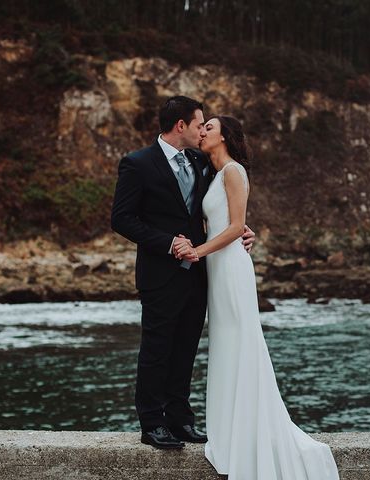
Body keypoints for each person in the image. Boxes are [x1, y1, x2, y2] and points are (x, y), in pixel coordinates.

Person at [175, 116, 340, 479]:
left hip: (230, 269)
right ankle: (231, 429)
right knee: (226, 344)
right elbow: (229, 223)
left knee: (242, 342)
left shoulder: (234, 171)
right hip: (217, 270)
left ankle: (250, 434)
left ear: (226, 137)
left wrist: (198, 252)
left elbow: (236, 227)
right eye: (201, 127)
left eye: (209, 128)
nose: (202, 132)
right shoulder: (213, 171)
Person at [110, 96, 255, 450]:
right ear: (181, 126)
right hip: (160, 273)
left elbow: (222, 204)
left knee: (186, 347)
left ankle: (180, 419)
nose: (202, 129)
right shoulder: (137, 164)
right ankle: (152, 424)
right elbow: (122, 219)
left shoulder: (199, 161)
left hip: (199, 274)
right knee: (157, 348)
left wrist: (244, 228)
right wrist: (166, 242)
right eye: (198, 124)